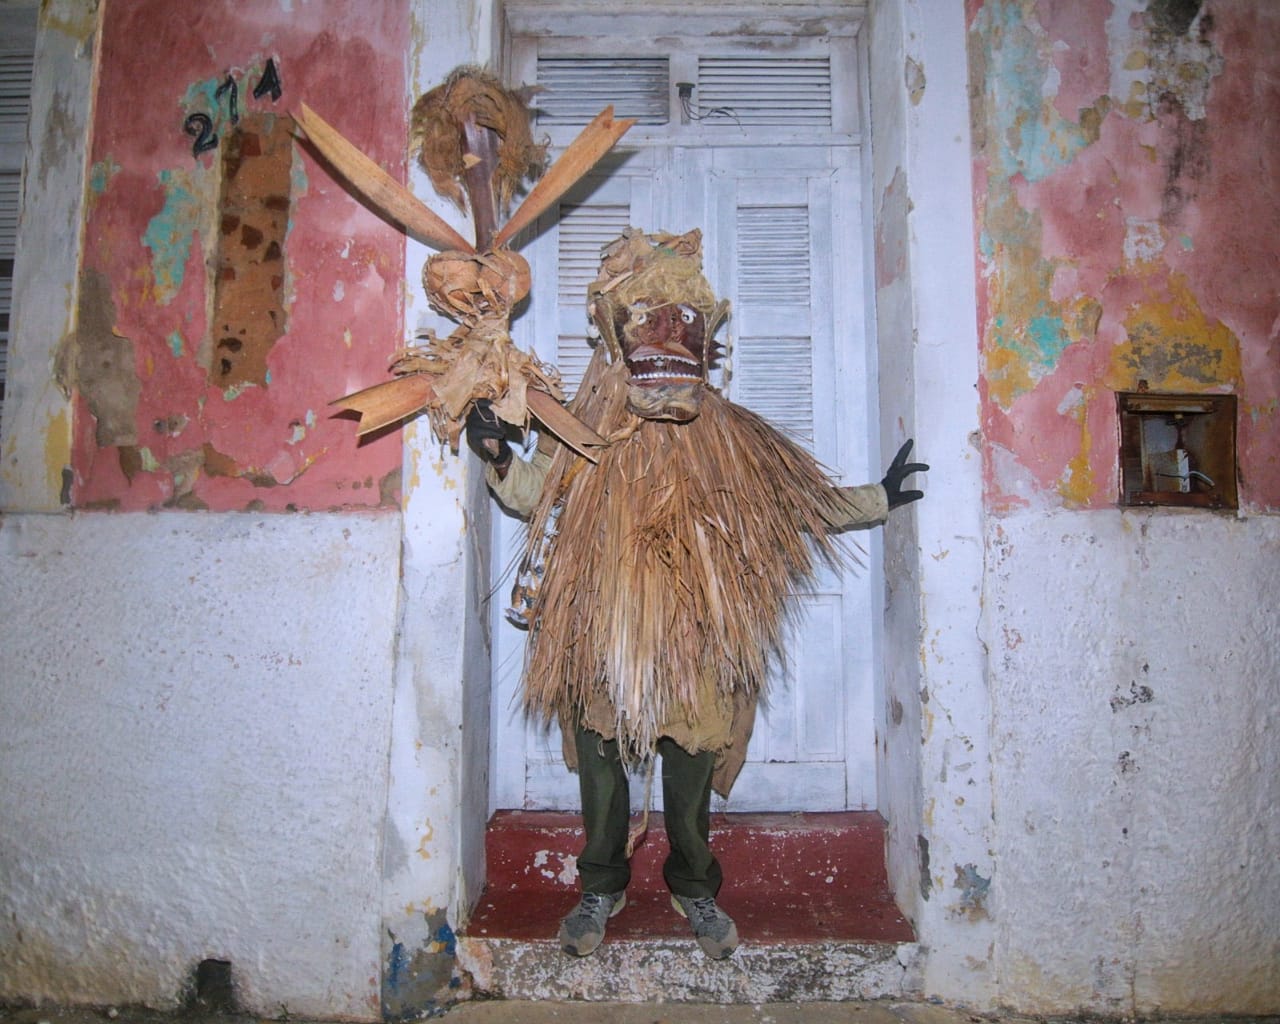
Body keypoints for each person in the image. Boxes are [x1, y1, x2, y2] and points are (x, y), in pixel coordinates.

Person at [466, 227, 926, 960]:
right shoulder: (578, 433)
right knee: (602, 766)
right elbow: (531, 494)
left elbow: (798, 504)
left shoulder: (732, 436)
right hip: (603, 629)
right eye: (647, 319)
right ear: (616, 336)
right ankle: (601, 886)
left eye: (683, 322)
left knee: (690, 767)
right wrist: (496, 455)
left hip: (695, 635)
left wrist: (880, 498)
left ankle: (695, 887)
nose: (666, 336)